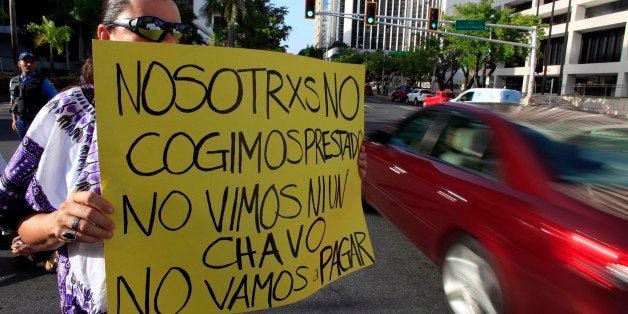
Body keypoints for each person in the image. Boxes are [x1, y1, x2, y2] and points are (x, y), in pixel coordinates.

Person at [0, 1, 367, 313]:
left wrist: (336, 170)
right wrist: (56, 223)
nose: (168, 40)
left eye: (175, 29)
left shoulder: (219, 112)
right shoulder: (70, 113)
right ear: (106, 35)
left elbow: (261, 191)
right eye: (150, 27)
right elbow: (13, 214)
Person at [9, 51, 57, 139]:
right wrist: (14, 120)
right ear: (19, 64)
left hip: (37, 122)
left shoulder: (43, 81)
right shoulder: (13, 81)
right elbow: (13, 101)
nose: (29, 64)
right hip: (20, 122)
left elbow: (56, 100)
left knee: (38, 150)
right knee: (23, 150)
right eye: (25, 61)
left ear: (35, 64)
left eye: (32, 62)